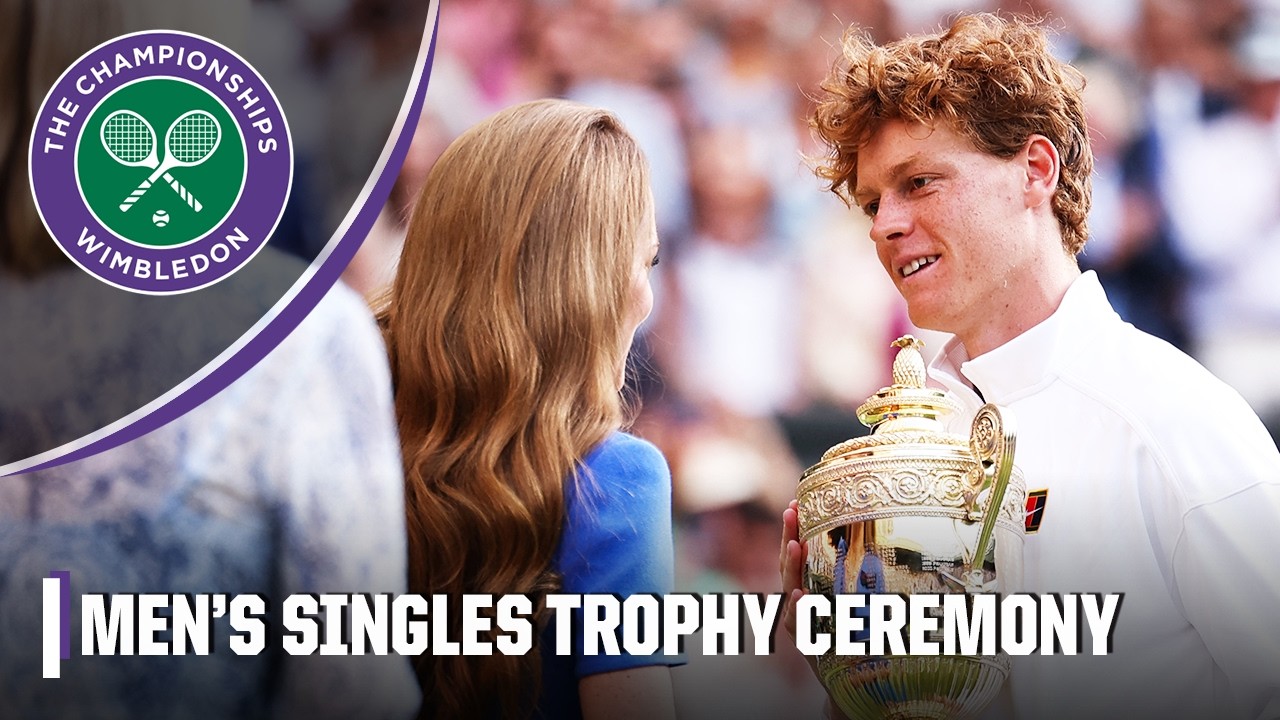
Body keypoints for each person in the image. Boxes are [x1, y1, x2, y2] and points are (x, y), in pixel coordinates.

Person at [779, 13, 1280, 720]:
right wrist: (857, 678)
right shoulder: (901, 447)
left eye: (919, 182)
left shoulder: (1172, 418)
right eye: (871, 202)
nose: (884, 224)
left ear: (1035, 170)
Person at [375, 99, 679, 720]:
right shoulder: (615, 478)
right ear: (584, 284)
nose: (646, 299)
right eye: (643, 262)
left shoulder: (339, 443)